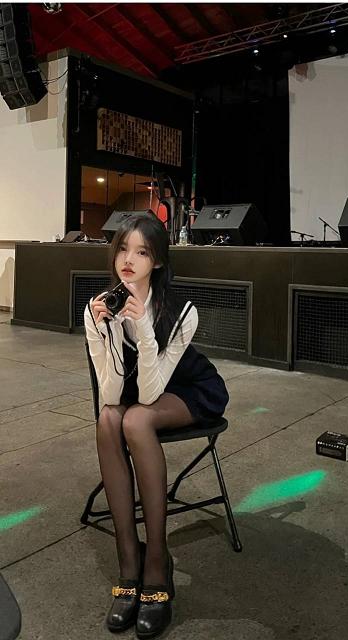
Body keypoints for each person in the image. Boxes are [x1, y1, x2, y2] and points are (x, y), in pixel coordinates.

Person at [84, 213, 229, 639]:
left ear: (158, 261)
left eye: (142, 252)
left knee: (135, 417)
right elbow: (111, 395)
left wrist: (143, 329)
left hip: (189, 390)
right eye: (123, 249)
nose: (128, 260)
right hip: (133, 394)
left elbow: (149, 395)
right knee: (109, 418)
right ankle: (128, 560)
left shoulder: (183, 312)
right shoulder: (98, 308)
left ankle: (156, 564)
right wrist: (108, 333)